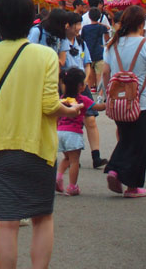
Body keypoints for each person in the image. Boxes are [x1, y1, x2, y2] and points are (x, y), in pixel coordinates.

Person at [0, 0, 81, 269]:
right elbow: (49, 105)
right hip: (38, 147)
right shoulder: (45, 56)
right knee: (42, 218)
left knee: (6, 224)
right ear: (31, 19)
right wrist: (69, 110)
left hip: (0, 148)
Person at [102, 5, 146, 198]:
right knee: (140, 144)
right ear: (141, 23)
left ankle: (114, 170)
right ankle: (132, 187)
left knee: (126, 139)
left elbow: (105, 72)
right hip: (142, 102)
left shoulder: (113, 44)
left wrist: (108, 96)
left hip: (119, 102)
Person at [63, 12, 107, 169]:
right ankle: (70, 157)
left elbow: (87, 63)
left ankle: (96, 156)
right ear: (67, 25)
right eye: (77, 25)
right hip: (66, 87)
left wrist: (85, 81)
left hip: (82, 86)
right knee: (67, 121)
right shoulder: (60, 44)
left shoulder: (81, 43)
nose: (79, 28)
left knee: (90, 119)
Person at [56, 68, 105, 196]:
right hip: (73, 133)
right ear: (80, 86)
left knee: (66, 158)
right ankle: (72, 186)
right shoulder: (82, 99)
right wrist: (108, 102)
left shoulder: (62, 98)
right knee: (74, 161)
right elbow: (98, 107)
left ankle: (58, 177)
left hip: (59, 132)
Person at [81, 7, 110, 92]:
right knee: (99, 75)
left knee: (90, 75)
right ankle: (99, 93)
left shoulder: (85, 28)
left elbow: (82, 39)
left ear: (89, 17)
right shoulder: (101, 28)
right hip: (99, 52)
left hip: (88, 53)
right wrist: (100, 24)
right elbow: (108, 31)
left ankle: (89, 92)